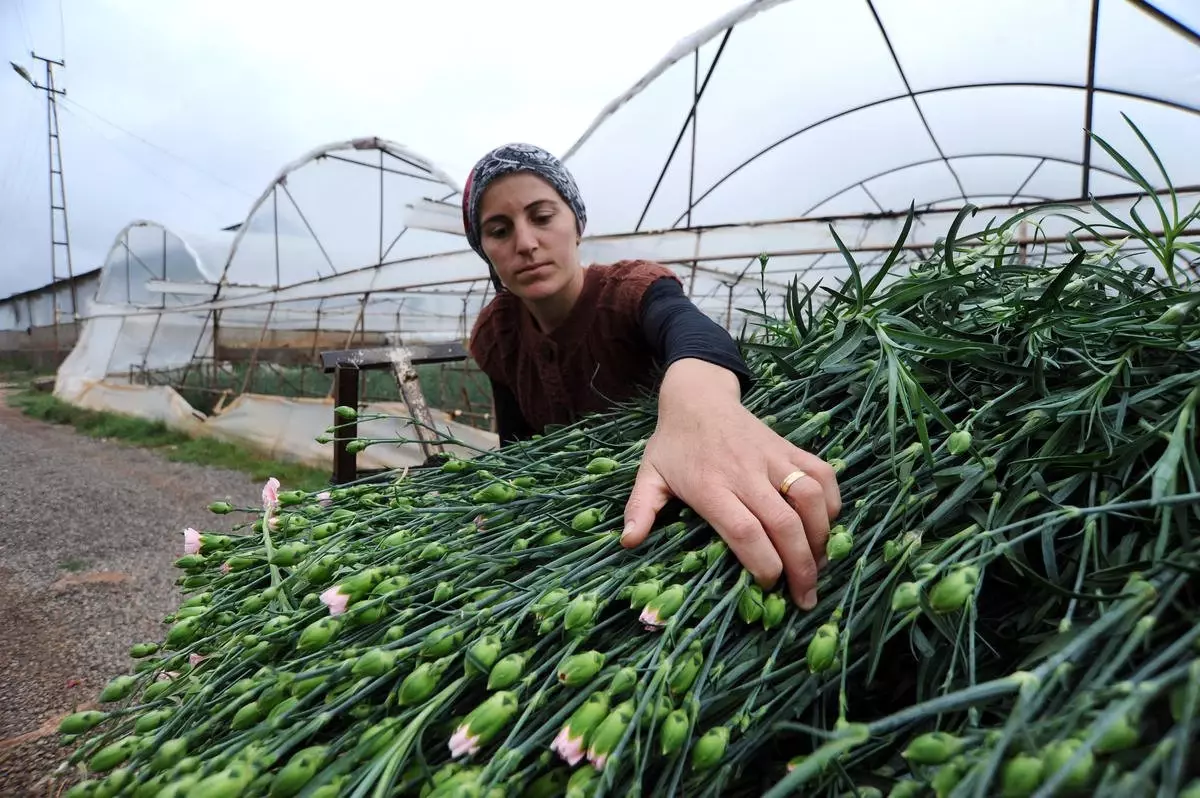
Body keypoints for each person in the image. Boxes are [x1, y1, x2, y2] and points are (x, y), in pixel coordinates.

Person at [462, 142, 841, 610]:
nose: (525, 242)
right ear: (485, 250)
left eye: (542, 217)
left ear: (576, 224)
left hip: (677, 510)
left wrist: (699, 407)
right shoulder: (496, 336)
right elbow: (519, 450)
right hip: (582, 532)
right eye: (499, 231)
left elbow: (690, 329)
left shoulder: (630, 290)